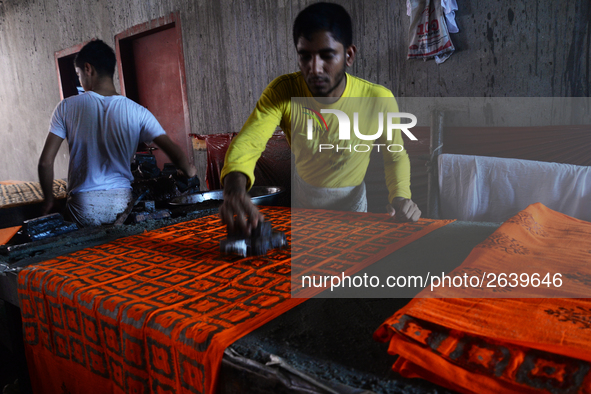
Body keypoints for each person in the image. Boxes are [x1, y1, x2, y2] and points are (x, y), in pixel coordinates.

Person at [220, 2, 421, 234]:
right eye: (305, 57)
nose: (314, 68)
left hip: (353, 206)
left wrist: (401, 197)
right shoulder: (283, 92)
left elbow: (395, 156)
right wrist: (234, 186)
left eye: (326, 56)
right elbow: (249, 142)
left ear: (349, 55)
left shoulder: (377, 99)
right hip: (304, 203)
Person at [38, 39, 196, 227]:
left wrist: (49, 200)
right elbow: (175, 152)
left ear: (88, 69)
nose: (80, 80)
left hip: (83, 204)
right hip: (121, 202)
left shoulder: (66, 107)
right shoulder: (138, 111)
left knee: (84, 254)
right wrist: (188, 171)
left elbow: (45, 162)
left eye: (78, 74)